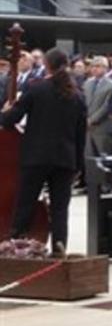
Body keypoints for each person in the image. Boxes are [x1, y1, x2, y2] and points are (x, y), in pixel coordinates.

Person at [0, 48, 87, 252]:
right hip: (65, 158)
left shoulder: (36, 88)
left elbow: (11, 119)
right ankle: (59, 247)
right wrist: (78, 165)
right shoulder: (77, 96)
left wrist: (5, 113)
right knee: (59, 208)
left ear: (46, 65)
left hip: (36, 157)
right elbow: (80, 135)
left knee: (25, 203)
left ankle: (15, 243)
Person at [82, 57, 112, 157]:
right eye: (92, 66)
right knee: (88, 159)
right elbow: (83, 102)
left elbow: (106, 106)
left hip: (102, 128)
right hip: (87, 129)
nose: (94, 69)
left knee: (104, 158)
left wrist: (91, 120)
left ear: (105, 68)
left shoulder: (111, 85)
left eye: (98, 66)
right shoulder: (87, 83)